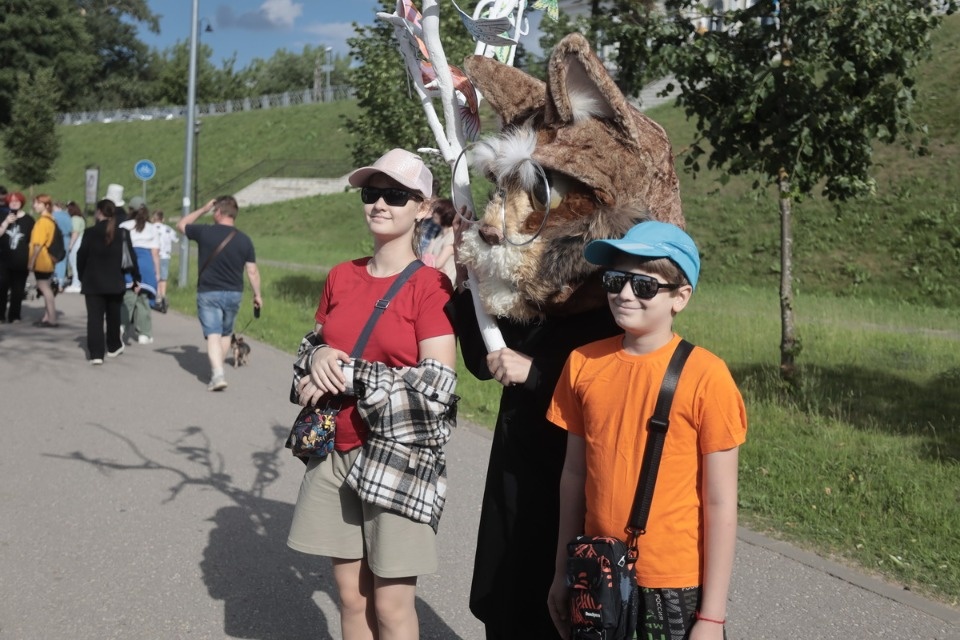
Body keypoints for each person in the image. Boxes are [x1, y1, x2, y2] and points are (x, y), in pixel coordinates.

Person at [545, 221, 748, 640]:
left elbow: (720, 501)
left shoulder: (707, 376)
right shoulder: (582, 363)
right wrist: (564, 571)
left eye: (644, 285)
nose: (623, 293)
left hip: (673, 582)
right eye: (615, 280)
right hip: (597, 573)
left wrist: (712, 615)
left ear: (680, 297)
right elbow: (574, 476)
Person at [286, 148, 457, 640]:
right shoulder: (342, 274)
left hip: (397, 457)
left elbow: (437, 388)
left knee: (391, 607)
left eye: (395, 195)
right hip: (334, 448)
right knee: (351, 600)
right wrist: (316, 359)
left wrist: (350, 373)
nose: (380, 204)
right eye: (372, 193)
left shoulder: (430, 286)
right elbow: (316, 345)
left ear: (422, 207)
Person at [177, 195, 263, 391]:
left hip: (209, 292)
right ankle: (218, 371)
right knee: (225, 333)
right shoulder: (244, 240)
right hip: (234, 293)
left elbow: (182, 224)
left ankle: (217, 374)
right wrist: (257, 295)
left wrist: (202, 209)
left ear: (218, 212)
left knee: (213, 334)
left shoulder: (204, 232)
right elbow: (252, 270)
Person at [77, 199, 140, 364]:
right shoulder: (122, 233)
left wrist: (81, 276)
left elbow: (81, 256)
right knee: (114, 316)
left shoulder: (90, 232)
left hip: (92, 282)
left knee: (95, 319)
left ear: (99, 212)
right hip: (114, 281)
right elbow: (131, 257)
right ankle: (113, 346)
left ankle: (96, 354)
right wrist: (136, 278)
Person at [119, 197, 160, 344]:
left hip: (129, 262)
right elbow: (155, 253)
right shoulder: (152, 228)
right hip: (146, 264)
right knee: (143, 300)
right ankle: (144, 334)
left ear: (130, 210)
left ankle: (121, 326)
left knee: (128, 297)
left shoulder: (124, 225)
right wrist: (157, 273)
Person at [0, 191, 34, 323]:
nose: (14, 203)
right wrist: (6, 222)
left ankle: (14, 315)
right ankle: (1, 315)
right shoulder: (2, 215)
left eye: (17, 201)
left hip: (21, 260)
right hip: (4, 259)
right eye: (11, 201)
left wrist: (31, 260)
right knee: (2, 288)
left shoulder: (29, 220)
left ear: (21, 202)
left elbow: (32, 241)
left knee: (18, 290)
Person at [27, 194, 59, 327]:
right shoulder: (50, 220)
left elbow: (38, 244)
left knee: (44, 287)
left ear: (46, 205)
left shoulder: (42, 222)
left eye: (38, 203)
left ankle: (51, 318)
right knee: (45, 287)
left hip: (42, 259)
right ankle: (48, 316)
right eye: (35, 203)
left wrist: (31, 261)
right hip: (47, 260)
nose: (35, 206)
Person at [421, 197, 456, 285]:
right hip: (431, 280)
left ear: (445, 214)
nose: (433, 214)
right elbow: (427, 253)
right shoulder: (441, 233)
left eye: (436, 212)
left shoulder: (452, 237)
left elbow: (438, 264)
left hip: (442, 284)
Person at [150, 209, 177, 313]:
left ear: (153, 219)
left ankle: (156, 295)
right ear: (163, 219)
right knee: (163, 277)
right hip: (165, 255)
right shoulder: (168, 229)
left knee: (155, 275)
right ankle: (163, 295)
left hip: (153, 255)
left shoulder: (150, 228)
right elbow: (175, 239)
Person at [64, 201, 86, 292]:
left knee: (74, 263)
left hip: (76, 242)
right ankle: (77, 282)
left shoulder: (75, 219)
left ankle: (76, 283)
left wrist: (70, 245)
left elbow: (75, 232)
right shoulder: (80, 218)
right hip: (80, 241)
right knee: (76, 263)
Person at [52, 201, 73, 293]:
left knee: (57, 260)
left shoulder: (53, 215)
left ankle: (56, 282)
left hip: (56, 239)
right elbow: (70, 228)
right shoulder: (67, 215)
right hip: (67, 238)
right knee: (64, 261)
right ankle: (61, 282)